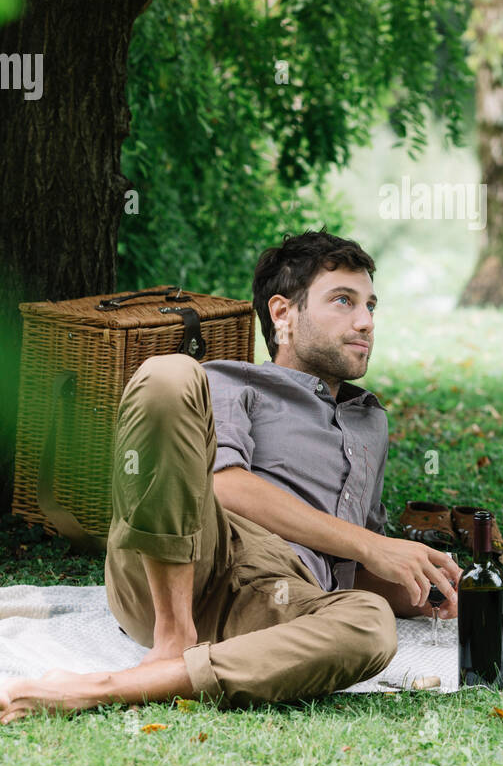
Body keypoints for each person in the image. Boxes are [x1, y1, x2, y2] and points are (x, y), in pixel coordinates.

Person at [0, 230, 461, 722]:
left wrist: (420, 583)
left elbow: (354, 557)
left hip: (281, 600)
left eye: (371, 305)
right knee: (167, 374)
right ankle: (173, 636)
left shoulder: (371, 421)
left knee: (371, 625)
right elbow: (225, 484)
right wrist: (371, 545)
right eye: (343, 301)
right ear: (283, 314)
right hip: (192, 555)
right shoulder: (232, 381)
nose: (365, 321)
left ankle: (124, 685)